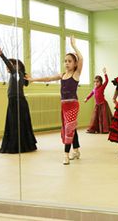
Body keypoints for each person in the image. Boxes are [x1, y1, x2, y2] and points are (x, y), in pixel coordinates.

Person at [26, 36, 82, 165]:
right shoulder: (62, 75)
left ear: (75, 64)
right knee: (70, 128)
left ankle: (66, 155)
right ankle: (77, 150)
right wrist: (33, 79)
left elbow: (82, 59)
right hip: (63, 106)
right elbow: (48, 78)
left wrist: (74, 46)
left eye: (69, 61)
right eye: (65, 61)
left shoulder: (76, 74)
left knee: (69, 129)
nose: (67, 63)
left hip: (72, 105)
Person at [0, 49, 37, 154]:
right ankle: (24, 145)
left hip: (17, 101)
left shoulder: (17, 73)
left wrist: (2, 55)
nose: (7, 68)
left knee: (15, 122)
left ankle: (17, 146)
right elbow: (26, 84)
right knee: (16, 122)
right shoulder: (17, 75)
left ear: (16, 66)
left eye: (10, 65)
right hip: (16, 100)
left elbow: (26, 83)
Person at [84, 67, 112, 134]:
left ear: (101, 82)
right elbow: (90, 94)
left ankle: (105, 129)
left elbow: (107, 81)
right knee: (95, 117)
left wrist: (105, 73)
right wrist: (86, 98)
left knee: (104, 118)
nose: (96, 83)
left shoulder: (102, 87)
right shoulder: (94, 89)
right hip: (97, 105)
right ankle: (92, 129)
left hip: (103, 104)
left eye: (97, 82)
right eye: (95, 82)